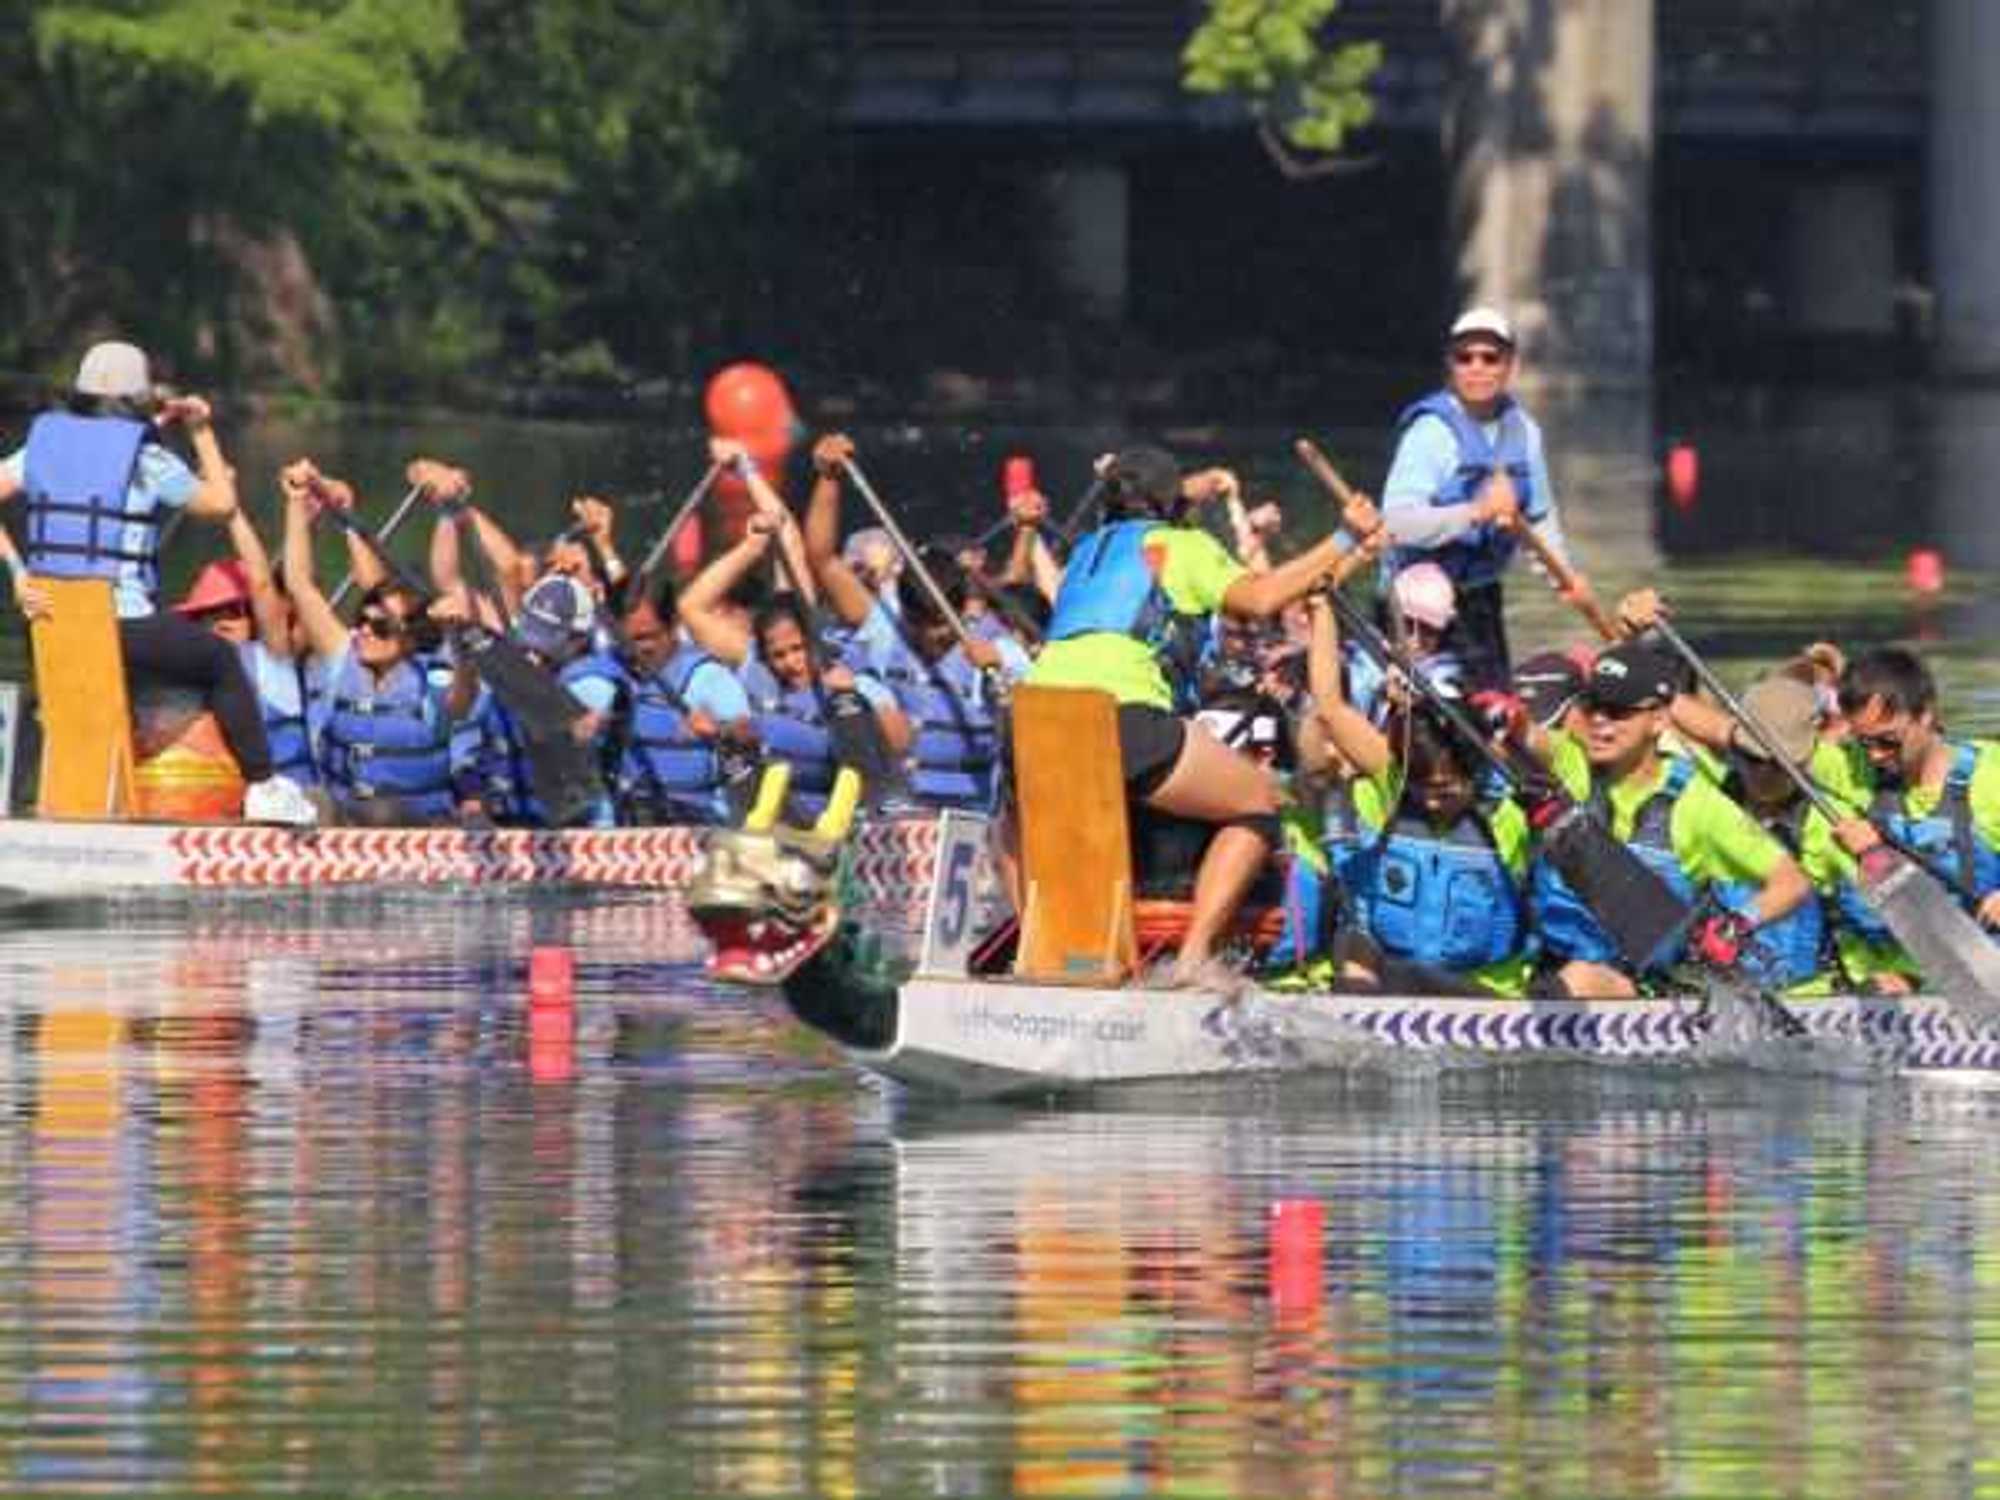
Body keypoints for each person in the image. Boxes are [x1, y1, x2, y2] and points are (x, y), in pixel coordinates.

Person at [1026, 443, 1379, 977]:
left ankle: (1043, 958)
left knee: (1047, 825)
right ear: (1172, 505)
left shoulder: (1085, 552)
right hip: (1119, 713)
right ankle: (1192, 962)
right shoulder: (1180, 544)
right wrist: (1345, 537)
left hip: (1032, 714)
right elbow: (1261, 600)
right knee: (1260, 802)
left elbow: (1159, 496)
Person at [0, 341, 315, 824]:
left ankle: (28, 796)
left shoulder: (42, 444)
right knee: (217, 660)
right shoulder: (147, 459)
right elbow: (222, 503)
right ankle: (262, 786)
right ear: (138, 401)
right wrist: (201, 430)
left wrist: (20, 575)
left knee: (61, 697)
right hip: (122, 626)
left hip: (48, 620)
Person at [1521, 639, 1812, 997]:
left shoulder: (1697, 803)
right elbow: (1526, 736)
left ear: (1658, 719)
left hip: (1643, 988)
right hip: (1551, 969)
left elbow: (1792, 882)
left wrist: (1737, 925)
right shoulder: (1572, 763)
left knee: (1580, 978)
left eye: (1617, 711)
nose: (1598, 720)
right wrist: (1502, 715)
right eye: (1592, 705)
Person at [1307, 591, 1534, 996]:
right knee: (1355, 942)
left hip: (1484, 994)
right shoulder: (1394, 782)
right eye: (1422, 787)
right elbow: (1330, 707)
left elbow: (1542, 750)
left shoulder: (1509, 808)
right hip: (1387, 976)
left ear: (1475, 772)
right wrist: (1322, 610)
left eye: (1446, 789)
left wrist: (1519, 728)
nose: (1430, 800)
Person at [804, 434, 1027, 813]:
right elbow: (822, 558)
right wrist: (828, 478)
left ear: (960, 611)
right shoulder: (885, 623)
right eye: (918, 624)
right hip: (896, 811)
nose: (928, 636)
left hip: (973, 815)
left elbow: (1044, 733)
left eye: (940, 627)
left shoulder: (998, 649)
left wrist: (1002, 678)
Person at [1380, 308, 1597, 691]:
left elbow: (1540, 520)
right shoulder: (1429, 434)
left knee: (1493, 707)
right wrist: (1476, 512)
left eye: (1490, 358)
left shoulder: (1525, 434)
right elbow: (1396, 523)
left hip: (1479, 599)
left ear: (1510, 365)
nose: (1477, 367)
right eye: (1465, 358)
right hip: (1416, 607)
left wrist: (1565, 576)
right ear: (1451, 365)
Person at [282, 465, 463, 825]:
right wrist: (296, 503)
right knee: (303, 799)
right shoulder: (342, 658)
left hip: (420, 833)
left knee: (382, 811)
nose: (363, 631)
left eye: (380, 627)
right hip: (344, 826)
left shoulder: (438, 679)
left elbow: (463, 696)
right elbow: (299, 583)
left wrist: (449, 512)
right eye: (361, 620)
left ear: (410, 639)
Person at [1822, 646, 2000, 984]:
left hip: (1986, 976)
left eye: (1888, 741)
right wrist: (1805, 672)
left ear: (1926, 715)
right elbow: (1751, 735)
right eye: (1864, 742)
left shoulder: (1993, 775)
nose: (1874, 756)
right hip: (1888, 984)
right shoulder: (1847, 768)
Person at [598, 576, 754, 826]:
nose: (635, 651)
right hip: (626, 831)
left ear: (673, 627)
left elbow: (749, 733)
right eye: (626, 641)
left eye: (646, 637)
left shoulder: (709, 678)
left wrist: (719, 731)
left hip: (698, 829)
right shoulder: (602, 674)